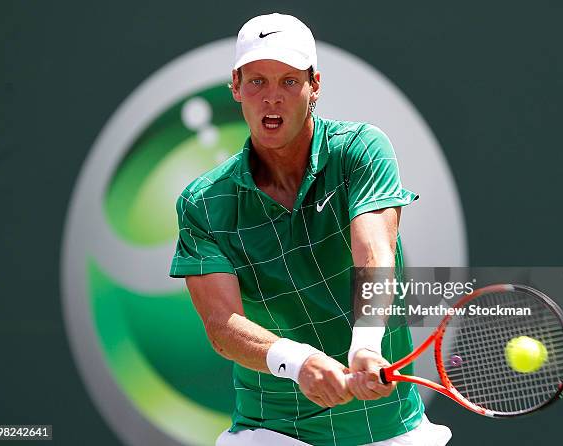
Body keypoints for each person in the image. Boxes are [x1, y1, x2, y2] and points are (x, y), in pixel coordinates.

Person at [170, 12, 452, 446]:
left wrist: (365, 344)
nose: (271, 98)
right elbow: (222, 326)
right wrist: (298, 361)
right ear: (236, 87)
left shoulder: (359, 150)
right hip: (271, 431)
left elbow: (374, 253)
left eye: (288, 81)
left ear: (314, 85)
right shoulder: (204, 202)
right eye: (257, 81)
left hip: (389, 429)